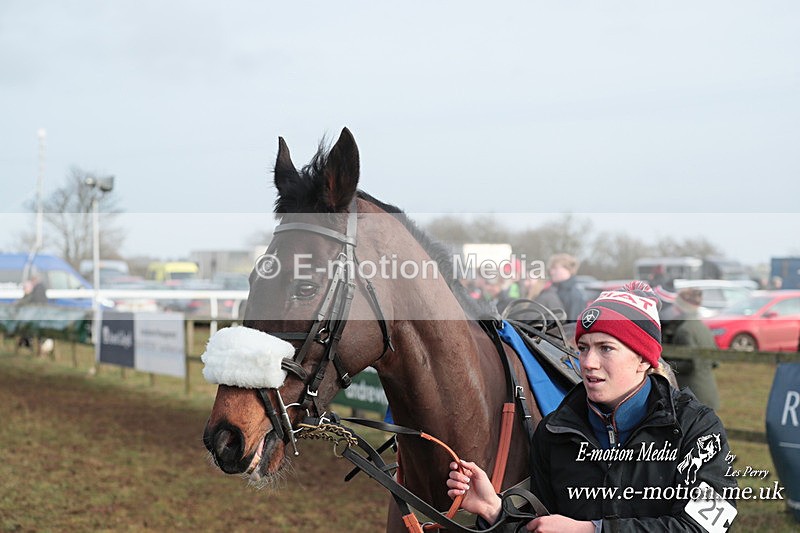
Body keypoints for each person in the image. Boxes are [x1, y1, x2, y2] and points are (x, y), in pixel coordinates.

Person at [447, 281, 737, 532]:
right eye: (583, 347)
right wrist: (494, 511)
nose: (588, 363)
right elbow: (546, 526)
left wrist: (592, 530)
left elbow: (707, 526)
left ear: (644, 360)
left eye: (606, 348)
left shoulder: (697, 428)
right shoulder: (554, 432)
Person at [662, 288, 721, 410]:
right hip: (708, 393)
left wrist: (664, 366)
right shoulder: (703, 328)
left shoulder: (685, 330)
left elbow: (689, 365)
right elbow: (715, 361)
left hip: (693, 396)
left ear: (679, 307)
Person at [538, 253, 587, 321]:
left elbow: (573, 325)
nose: (551, 272)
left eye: (555, 268)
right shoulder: (551, 289)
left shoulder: (574, 296)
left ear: (568, 269)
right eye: (551, 269)